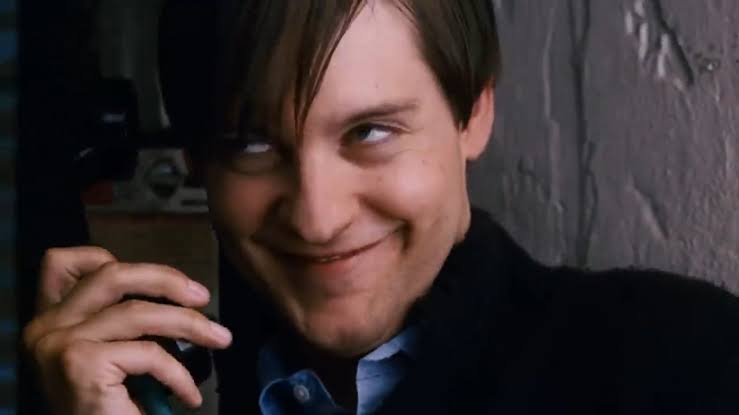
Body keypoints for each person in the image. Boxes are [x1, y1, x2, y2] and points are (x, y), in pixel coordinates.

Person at [21, 1, 739, 414]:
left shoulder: (686, 362)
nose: (317, 218)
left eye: (369, 132)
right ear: (197, 160)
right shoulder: (147, 384)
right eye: (251, 145)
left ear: (474, 113)